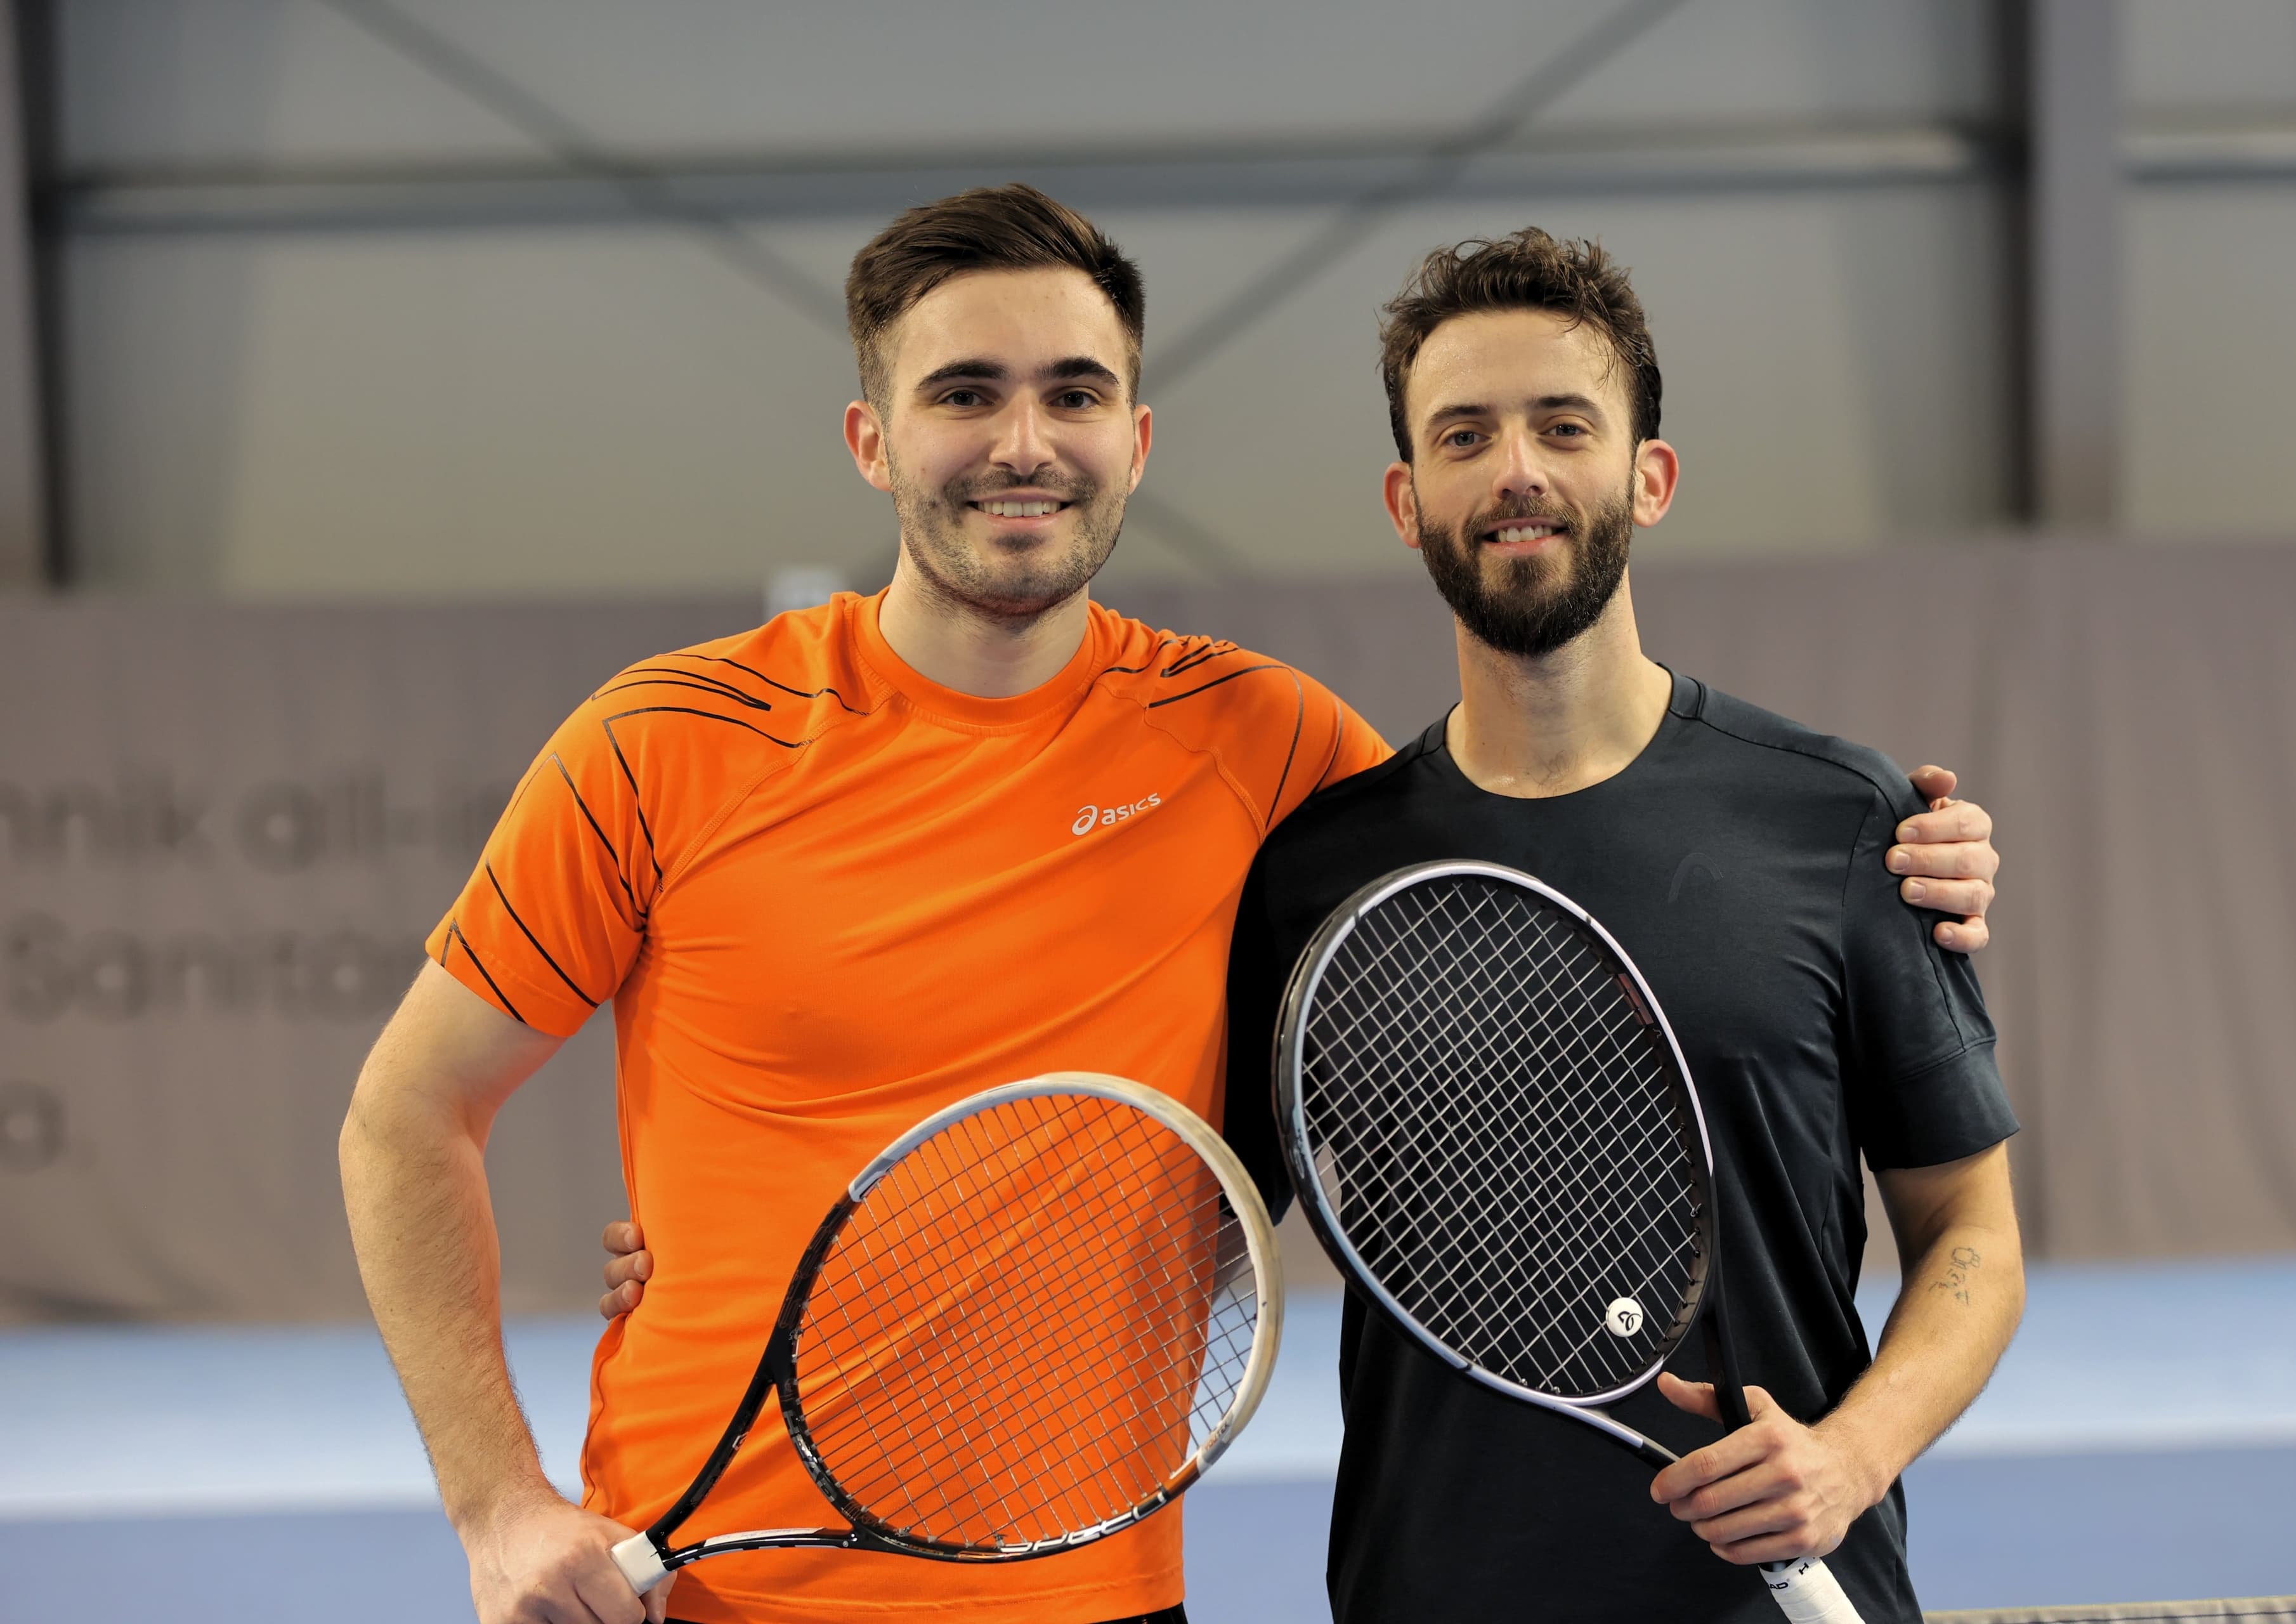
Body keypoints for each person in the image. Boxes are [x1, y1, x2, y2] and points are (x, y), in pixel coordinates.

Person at [343, 186, 2001, 1624]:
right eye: (962, 393)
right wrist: (502, 1503)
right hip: (708, 1582)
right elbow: (406, 1118)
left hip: (1103, 1588)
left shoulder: (1263, 748)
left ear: (1135, 439)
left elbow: (1538, 865)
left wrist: (1909, 854)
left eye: (1074, 391)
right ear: (872, 438)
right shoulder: (666, 740)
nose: (1021, 441)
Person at [1217, 228, 2025, 1623]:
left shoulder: (1846, 821)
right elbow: (1195, 1243)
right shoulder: (1311, 877)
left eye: (1564, 425)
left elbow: (1973, 1232)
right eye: (1465, 433)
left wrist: (1847, 1458)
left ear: (1647, 476)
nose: (1516, 469)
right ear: (1408, 500)